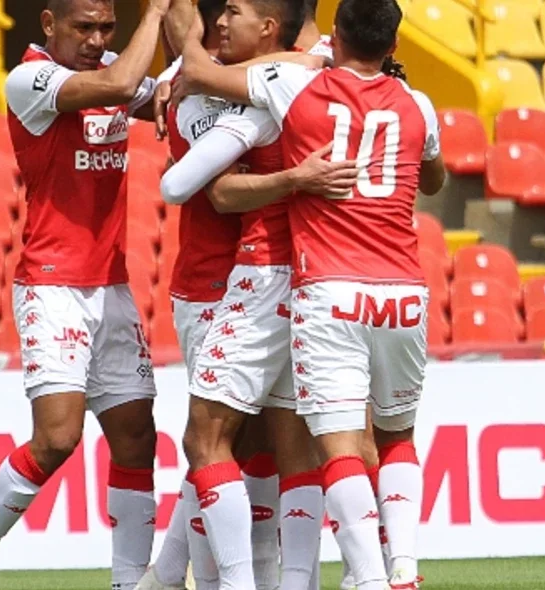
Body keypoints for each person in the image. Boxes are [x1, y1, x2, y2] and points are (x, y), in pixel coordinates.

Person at [171, 0, 446, 587]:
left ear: (336, 37)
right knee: (392, 437)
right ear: (396, 47)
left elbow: (195, 86)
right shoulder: (418, 104)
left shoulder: (292, 84)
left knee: (329, 445)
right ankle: (402, 570)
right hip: (404, 289)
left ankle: (366, 580)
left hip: (323, 285)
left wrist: (180, 24)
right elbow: (435, 176)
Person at [0, 0, 179, 588]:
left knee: (136, 438)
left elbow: (164, 97)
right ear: (49, 24)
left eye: (107, 28)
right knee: (57, 438)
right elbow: (123, 81)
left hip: (112, 285)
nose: (97, 39)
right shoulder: (30, 77)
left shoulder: (108, 69)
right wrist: (154, 13)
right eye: (84, 27)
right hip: (52, 285)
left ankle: (129, 581)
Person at [139, 4, 237, 589]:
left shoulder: (224, 80)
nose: (222, 25)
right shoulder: (192, 93)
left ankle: (166, 576)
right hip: (209, 286)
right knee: (217, 439)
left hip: (246, 284)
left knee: (225, 441)